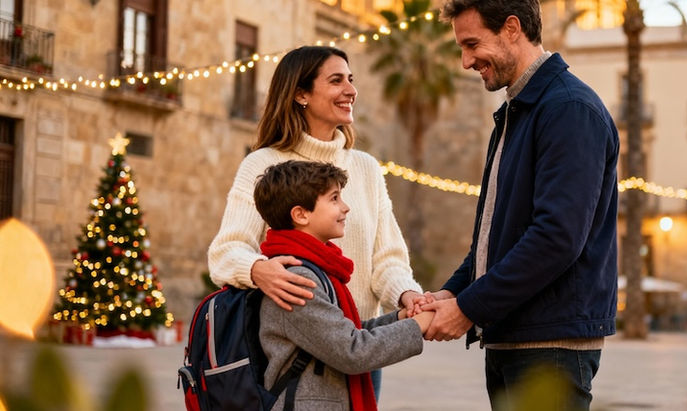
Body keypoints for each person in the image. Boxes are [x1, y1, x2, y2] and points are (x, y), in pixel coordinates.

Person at [416, 1, 620, 409]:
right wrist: (451, 292)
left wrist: (468, 309)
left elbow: (555, 238)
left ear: (512, 28)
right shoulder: (519, 111)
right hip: (513, 338)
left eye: (472, 44)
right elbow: (496, 234)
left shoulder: (568, 109)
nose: (466, 61)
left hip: (550, 348)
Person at [207, 46, 424, 397]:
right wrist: (258, 270)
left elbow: (387, 260)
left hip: (362, 344)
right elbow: (227, 250)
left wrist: (407, 295)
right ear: (301, 94)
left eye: (351, 79)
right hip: (293, 357)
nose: (351, 90)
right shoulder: (262, 164)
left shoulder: (366, 168)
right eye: (336, 81)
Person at [253, 160, 434, 411]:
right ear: (301, 214)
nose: (346, 207)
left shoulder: (316, 268)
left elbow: (345, 331)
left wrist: (401, 318)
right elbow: (352, 350)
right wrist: (419, 324)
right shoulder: (296, 279)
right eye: (334, 198)